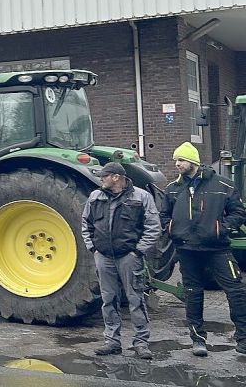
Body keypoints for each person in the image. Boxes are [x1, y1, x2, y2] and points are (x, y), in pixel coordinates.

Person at [161, 142, 246, 357]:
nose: (177, 164)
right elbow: (163, 216)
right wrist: (171, 229)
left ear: (192, 161)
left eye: (180, 160)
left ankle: (243, 340)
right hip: (187, 250)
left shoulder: (222, 186)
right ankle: (197, 340)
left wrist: (222, 229)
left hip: (217, 250)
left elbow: (238, 212)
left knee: (236, 291)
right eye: (176, 160)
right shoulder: (172, 189)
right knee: (193, 294)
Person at [81, 162, 161, 359]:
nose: (101, 179)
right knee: (108, 300)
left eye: (104, 176)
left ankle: (141, 343)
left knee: (135, 299)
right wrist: (94, 249)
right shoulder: (95, 196)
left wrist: (138, 251)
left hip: (128, 257)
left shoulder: (141, 197)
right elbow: (86, 223)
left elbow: (153, 227)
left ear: (116, 177)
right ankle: (112, 341)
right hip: (104, 257)